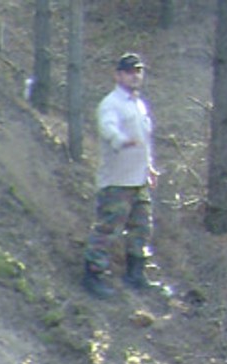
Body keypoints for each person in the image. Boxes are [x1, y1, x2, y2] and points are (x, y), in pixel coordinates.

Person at [83, 53, 157, 299]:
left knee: (142, 228)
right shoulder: (111, 103)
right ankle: (93, 275)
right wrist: (121, 141)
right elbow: (107, 127)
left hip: (138, 180)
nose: (135, 76)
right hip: (117, 182)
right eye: (129, 71)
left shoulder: (138, 104)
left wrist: (149, 168)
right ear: (118, 75)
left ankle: (136, 274)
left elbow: (144, 141)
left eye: (138, 71)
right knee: (107, 229)